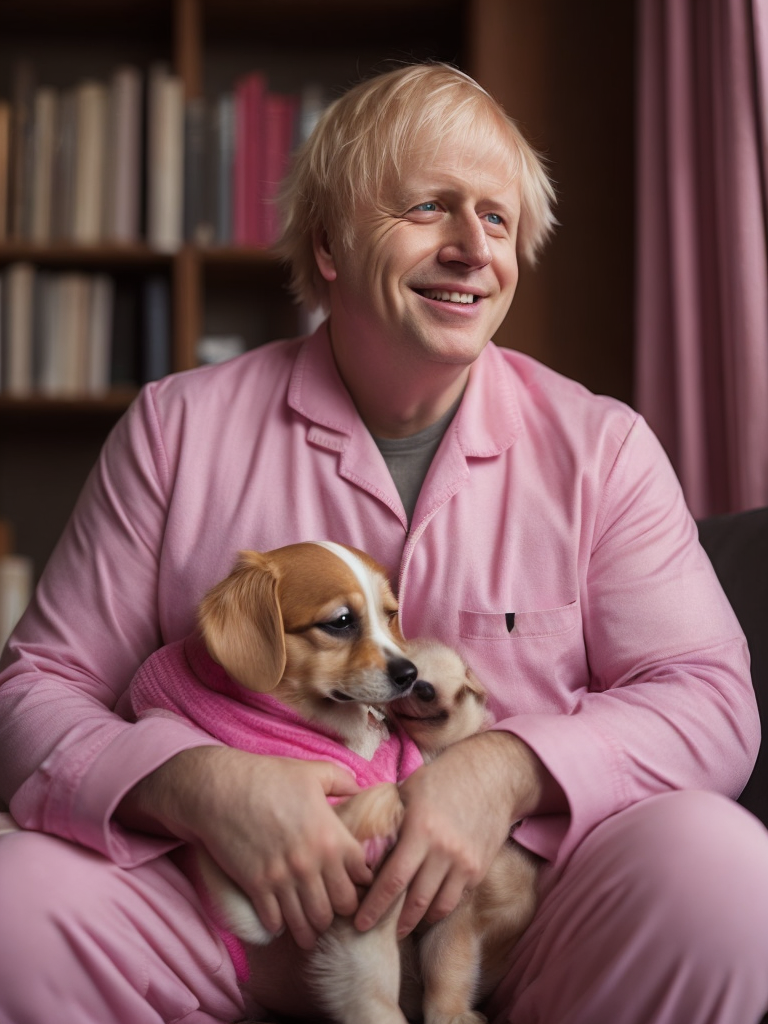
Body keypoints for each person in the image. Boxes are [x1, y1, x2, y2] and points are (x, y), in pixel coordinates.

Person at [1, 61, 767, 1024]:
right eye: (427, 208)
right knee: (12, 901)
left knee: (723, 869)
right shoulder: (175, 429)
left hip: (507, 923)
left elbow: (709, 699)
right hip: (227, 920)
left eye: (495, 219)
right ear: (327, 244)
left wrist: (504, 772)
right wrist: (194, 786)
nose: (470, 248)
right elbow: (35, 690)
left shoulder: (603, 448)